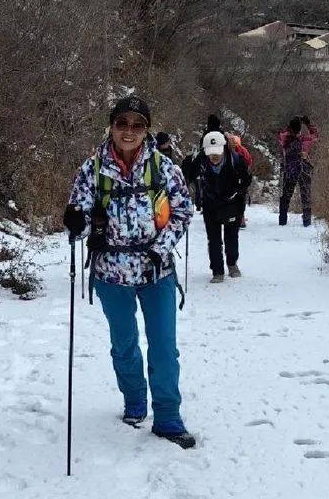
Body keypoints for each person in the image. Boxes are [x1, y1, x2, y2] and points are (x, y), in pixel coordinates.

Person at [63, 95, 195, 449]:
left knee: (164, 348)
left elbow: (183, 211)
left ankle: (168, 417)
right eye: (122, 123)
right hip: (111, 274)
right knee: (124, 346)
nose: (129, 131)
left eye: (137, 125)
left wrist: (159, 249)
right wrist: (76, 223)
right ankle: (134, 400)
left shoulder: (164, 168)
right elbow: (81, 221)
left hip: (156, 272)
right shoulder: (91, 170)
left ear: (146, 130)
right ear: (111, 126)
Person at [185, 130, 251, 282]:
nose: (214, 156)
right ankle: (217, 271)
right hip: (211, 203)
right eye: (210, 153)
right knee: (213, 239)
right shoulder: (201, 160)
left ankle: (232, 264)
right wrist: (188, 163)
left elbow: (246, 180)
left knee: (231, 236)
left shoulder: (236, 160)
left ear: (224, 148)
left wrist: (238, 192)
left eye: (217, 152)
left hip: (232, 203)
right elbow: (188, 176)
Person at [278, 115, 319, 227]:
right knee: (306, 196)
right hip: (304, 169)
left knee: (286, 196)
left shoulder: (285, 139)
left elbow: (281, 133)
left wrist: (290, 125)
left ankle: (282, 221)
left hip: (290, 170)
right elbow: (315, 134)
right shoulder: (304, 140)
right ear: (300, 129)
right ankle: (306, 221)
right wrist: (308, 123)